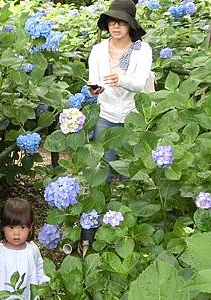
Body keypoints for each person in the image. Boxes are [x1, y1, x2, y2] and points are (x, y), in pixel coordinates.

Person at [87, 0, 154, 182]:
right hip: (105, 116)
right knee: (103, 169)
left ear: (130, 24)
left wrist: (120, 80)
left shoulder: (142, 50)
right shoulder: (98, 50)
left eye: (121, 21)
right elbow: (94, 79)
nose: (116, 26)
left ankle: (128, 207)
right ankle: (103, 207)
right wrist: (95, 88)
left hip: (132, 117)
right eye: (112, 21)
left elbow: (139, 84)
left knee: (129, 171)